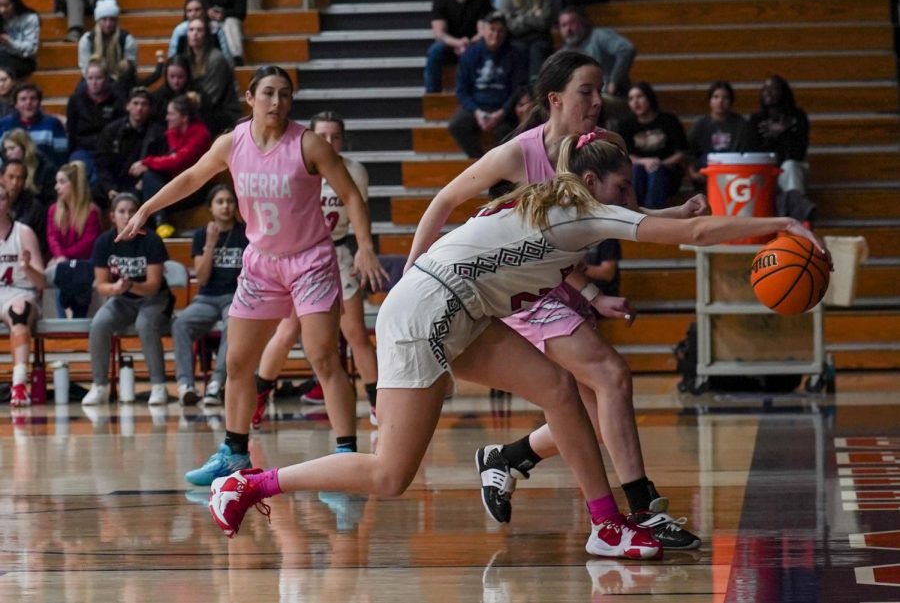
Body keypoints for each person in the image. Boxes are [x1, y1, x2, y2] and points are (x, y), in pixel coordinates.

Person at [205, 132, 825, 556]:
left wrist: (661, 215)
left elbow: (643, 223)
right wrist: (779, 223)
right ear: (588, 181)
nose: (628, 204)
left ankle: (607, 526)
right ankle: (251, 485)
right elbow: (694, 230)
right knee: (390, 473)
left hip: (453, 305)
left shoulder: (554, 203)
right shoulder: (583, 209)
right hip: (427, 313)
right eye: (622, 189)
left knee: (561, 390)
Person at [406, 51, 705, 550]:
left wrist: (675, 212)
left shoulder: (602, 147)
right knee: (611, 375)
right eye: (587, 90)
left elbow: (623, 215)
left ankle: (508, 458)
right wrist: (415, 276)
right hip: (513, 293)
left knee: (586, 409)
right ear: (555, 98)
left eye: (600, 89)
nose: (597, 100)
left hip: (555, 285)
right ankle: (642, 507)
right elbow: (443, 202)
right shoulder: (519, 154)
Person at [117, 66, 387, 485]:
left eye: (284, 94)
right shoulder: (232, 143)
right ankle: (234, 453)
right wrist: (146, 208)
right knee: (239, 362)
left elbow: (350, 193)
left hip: (310, 260)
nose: (276, 102)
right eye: (268, 93)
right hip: (261, 261)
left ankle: (346, 456)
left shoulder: (308, 144)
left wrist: (365, 246)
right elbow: (191, 177)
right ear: (250, 97)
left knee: (323, 357)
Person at [252, 110, 379, 429]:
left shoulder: (354, 172)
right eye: (322, 136)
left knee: (356, 334)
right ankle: (258, 398)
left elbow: (358, 214)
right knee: (287, 331)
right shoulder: (295, 168)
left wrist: (365, 248)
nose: (329, 142)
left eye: (335, 136)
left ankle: (379, 406)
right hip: (302, 258)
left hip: (338, 253)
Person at [81, 192, 173, 406]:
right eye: (121, 211)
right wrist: (116, 287)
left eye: (132, 211)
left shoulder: (151, 240)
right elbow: (102, 285)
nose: (127, 216)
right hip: (122, 298)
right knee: (99, 324)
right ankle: (100, 386)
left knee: (145, 324)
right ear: (112, 216)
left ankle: (159, 386)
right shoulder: (104, 242)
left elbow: (153, 286)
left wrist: (131, 284)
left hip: (153, 298)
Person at [172, 184, 248, 406]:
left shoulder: (245, 234)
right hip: (207, 297)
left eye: (229, 201)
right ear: (211, 208)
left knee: (233, 325)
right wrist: (210, 245)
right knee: (181, 324)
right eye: (220, 202)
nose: (225, 206)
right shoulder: (201, 235)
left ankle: (216, 384)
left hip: (235, 297)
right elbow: (202, 278)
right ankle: (186, 385)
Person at [130, 94, 212, 238]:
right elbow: (166, 160)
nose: (167, 118)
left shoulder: (200, 134)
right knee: (147, 180)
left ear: (184, 117)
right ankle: (158, 224)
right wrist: (148, 168)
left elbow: (178, 161)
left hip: (195, 186)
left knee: (148, 180)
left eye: (171, 114)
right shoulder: (171, 132)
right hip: (175, 182)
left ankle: (155, 225)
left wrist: (146, 163)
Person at [449, 11, 526, 159]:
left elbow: (517, 88)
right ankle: (479, 162)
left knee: (509, 132)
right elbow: (461, 90)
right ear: (483, 30)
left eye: (500, 31)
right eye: (492, 29)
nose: (496, 35)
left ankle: (501, 168)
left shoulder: (515, 54)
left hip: (502, 107)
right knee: (457, 125)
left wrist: (501, 112)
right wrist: (477, 112)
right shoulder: (470, 54)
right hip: (476, 106)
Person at [0, 183, 45, 407]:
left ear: (8, 203)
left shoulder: (23, 232)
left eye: (1, 199)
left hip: (20, 292)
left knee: (19, 314)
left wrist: (27, 267)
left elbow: (41, 282)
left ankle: (19, 385)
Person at [93, 87, 167, 209]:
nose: (139, 108)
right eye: (135, 103)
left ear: (150, 108)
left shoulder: (158, 133)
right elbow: (101, 163)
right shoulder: (111, 131)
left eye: (144, 104)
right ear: (128, 106)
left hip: (141, 186)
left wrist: (147, 173)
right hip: (114, 184)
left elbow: (163, 162)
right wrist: (109, 188)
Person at [45, 161, 102, 318]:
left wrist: (64, 257)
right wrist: (59, 256)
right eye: (57, 182)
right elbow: (52, 237)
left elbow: (88, 243)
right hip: (61, 259)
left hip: (85, 261)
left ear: (75, 185)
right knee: (58, 269)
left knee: (72, 270)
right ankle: (63, 317)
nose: (57, 187)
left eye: (62, 182)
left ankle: (76, 315)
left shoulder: (91, 211)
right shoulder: (53, 210)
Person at [619, 81, 688, 210]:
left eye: (639, 97)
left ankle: (652, 213)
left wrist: (660, 164)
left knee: (656, 171)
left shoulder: (669, 120)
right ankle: (636, 211)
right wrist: (644, 161)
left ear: (649, 97)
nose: (635, 102)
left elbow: (681, 153)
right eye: (631, 99)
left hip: (668, 170)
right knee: (638, 169)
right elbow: (623, 154)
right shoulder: (625, 125)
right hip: (638, 171)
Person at [425, 0, 493, 93]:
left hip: (474, 44)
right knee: (434, 51)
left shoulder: (482, 0)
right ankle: (433, 94)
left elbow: (483, 31)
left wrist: (468, 44)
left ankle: (483, 95)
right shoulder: (441, 0)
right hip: (450, 45)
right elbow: (439, 34)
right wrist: (459, 43)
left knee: (487, 47)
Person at [180, 17, 242, 136]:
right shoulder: (186, 57)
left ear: (206, 34)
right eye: (191, 30)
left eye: (199, 30)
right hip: (198, 109)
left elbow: (211, 97)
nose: (195, 33)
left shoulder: (216, 58)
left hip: (221, 113)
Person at [749, 75, 810, 194]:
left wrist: (784, 132)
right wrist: (771, 137)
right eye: (765, 89)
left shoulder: (797, 117)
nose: (768, 93)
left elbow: (799, 153)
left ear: (783, 92)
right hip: (765, 168)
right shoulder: (756, 119)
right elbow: (754, 151)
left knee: (790, 167)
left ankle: (795, 209)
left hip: (791, 167)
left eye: (773, 89)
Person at [66, 59, 125, 179]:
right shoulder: (76, 100)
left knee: (100, 178)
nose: (94, 82)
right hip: (83, 149)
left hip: (108, 150)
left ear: (106, 79)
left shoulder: (117, 99)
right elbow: (71, 129)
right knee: (78, 175)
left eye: (98, 78)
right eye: (90, 78)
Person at [687, 80, 751, 191]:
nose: (720, 101)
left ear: (731, 101)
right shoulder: (700, 125)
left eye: (725, 98)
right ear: (710, 100)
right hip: (707, 173)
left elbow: (745, 154)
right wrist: (692, 172)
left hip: (734, 171)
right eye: (716, 97)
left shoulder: (741, 125)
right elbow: (689, 153)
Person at [558, 7, 634, 98]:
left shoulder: (599, 36)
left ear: (582, 23)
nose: (568, 29)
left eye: (572, 23)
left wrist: (614, 81)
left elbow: (626, 49)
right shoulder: (563, 52)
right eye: (564, 25)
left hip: (610, 96)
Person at [186, 0, 247, 66]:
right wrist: (205, 12)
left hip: (228, 21)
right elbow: (189, 8)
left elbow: (241, 11)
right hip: (204, 20)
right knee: (195, 26)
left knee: (231, 22)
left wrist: (224, 13)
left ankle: (236, 58)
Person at [500, 0, 551, 82]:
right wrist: (532, 15)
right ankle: (521, 90)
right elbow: (510, 27)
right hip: (517, 38)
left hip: (539, 37)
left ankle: (536, 86)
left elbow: (544, 23)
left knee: (538, 49)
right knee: (518, 50)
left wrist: (520, 18)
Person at [0, 83, 68, 167]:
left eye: (33, 98)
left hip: (44, 175)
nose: (28, 103)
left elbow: (61, 157)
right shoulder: (4, 125)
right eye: (23, 99)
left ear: (39, 103)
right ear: (16, 104)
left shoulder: (53, 124)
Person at [168, 0, 233, 66]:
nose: (193, 14)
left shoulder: (215, 28)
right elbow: (172, 58)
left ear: (204, 11)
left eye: (197, 10)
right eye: (189, 11)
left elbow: (226, 56)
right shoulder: (180, 30)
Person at [1, 158, 47, 258]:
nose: (15, 182)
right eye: (11, 177)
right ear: (1, 178)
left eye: (20, 178)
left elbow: (42, 246)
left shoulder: (35, 207)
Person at [2, 129, 57, 205]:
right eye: (6, 150)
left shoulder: (46, 169)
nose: (8, 153)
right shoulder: (7, 166)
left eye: (12, 148)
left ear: (25, 148)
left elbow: (50, 202)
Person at [0, 0, 40, 79]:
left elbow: (31, 50)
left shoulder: (29, 18)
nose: (2, 10)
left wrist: (9, 42)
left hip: (23, 60)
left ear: (15, 3)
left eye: (6, 6)